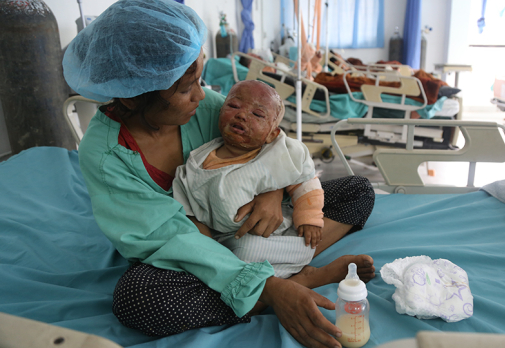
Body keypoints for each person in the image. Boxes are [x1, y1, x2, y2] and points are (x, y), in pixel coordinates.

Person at [63, 0, 375, 347]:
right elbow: (170, 238)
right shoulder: (107, 156)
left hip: (250, 228)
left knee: (359, 190)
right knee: (139, 299)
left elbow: (270, 141)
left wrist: (272, 191)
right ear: (133, 97)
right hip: (190, 249)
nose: (202, 95)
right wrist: (267, 287)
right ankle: (290, 284)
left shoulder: (206, 107)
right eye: (185, 89)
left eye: (201, 79)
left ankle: (277, 273)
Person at [173, 80, 375, 284]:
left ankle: (289, 272)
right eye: (233, 106)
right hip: (225, 240)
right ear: (220, 111)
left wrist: (309, 218)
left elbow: (305, 182)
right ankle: (296, 280)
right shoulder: (195, 164)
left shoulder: (281, 153)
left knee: (358, 189)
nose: (242, 114)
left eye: (258, 115)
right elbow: (190, 214)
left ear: (272, 134)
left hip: (278, 233)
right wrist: (212, 255)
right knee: (223, 264)